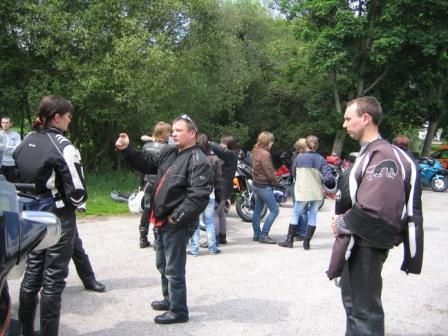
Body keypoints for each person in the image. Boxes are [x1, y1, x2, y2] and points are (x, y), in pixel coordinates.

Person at [331, 96, 424, 335]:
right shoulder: (371, 152)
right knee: (355, 307)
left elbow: (376, 208)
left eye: (348, 119)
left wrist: (342, 222)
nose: (344, 124)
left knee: (364, 313)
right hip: (360, 242)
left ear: (365, 118)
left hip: (367, 243)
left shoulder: (383, 155)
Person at [115, 114, 212, 324]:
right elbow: (146, 162)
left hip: (175, 223)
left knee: (174, 269)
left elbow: (198, 197)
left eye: (178, 130)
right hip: (161, 220)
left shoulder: (198, 160)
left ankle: (179, 311)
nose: (173, 134)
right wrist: (127, 149)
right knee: (162, 264)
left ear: (192, 133)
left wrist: (176, 219)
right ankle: (169, 300)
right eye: (173, 130)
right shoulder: (170, 152)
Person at [13, 95, 88, 336]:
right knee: (54, 280)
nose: (69, 121)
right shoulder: (63, 145)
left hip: (30, 213)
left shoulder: (26, 140)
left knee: (33, 273)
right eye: (68, 117)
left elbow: (14, 171)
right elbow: (78, 190)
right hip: (57, 216)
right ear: (56, 117)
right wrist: (74, 204)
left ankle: (26, 331)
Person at [278, 135, 335, 249]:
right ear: (317, 145)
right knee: (313, 215)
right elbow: (328, 178)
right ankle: (307, 242)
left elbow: (293, 173)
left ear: (306, 144)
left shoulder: (299, 158)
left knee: (295, 214)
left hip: (303, 190)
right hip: (316, 192)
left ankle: (289, 241)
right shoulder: (320, 159)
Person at [138, 122, 172, 248]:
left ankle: (142, 238)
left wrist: (140, 184)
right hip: (160, 183)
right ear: (164, 133)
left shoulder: (146, 146)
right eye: (168, 132)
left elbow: (141, 166)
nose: (170, 134)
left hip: (148, 182)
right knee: (159, 210)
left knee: (147, 209)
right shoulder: (167, 148)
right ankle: (158, 240)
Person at [189, 133, 222, 256]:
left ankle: (194, 249)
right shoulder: (215, 158)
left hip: (195, 194)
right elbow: (219, 179)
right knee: (209, 222)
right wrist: (219, 195)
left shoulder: (193, 157)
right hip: (210, 193)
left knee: (195, 222)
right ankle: (212, 248)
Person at [251, 131, 279, 244]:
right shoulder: (265, 154)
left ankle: (256, 234)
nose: (272, 143)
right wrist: (276, 183)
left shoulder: (255, 151)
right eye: (271, 141)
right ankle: (264, 234)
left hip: (256, 184)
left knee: (257, 211)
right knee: (275, 210)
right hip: (264, 186)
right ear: (268, 141)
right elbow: (269, 171)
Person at [209, 135, 238, 245]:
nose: (220, 145)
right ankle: (222, 236)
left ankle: (214, 238)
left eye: (222, 143)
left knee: (215, 213)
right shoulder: (232, 154)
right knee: (221, 213)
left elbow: (218, 149)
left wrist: (208, 142)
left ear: (227, 145)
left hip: (224, 186)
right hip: (226, 185)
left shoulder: (229, 154)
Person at [0, 116, 21, 182]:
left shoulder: (16, 135)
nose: (5, 124)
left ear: (11, 124)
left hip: (12, 164)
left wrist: (4, 147)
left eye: (7, 123)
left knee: (12, 184)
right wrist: (11, 148)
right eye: (3, 122)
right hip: (1, 164)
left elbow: (17, 149)